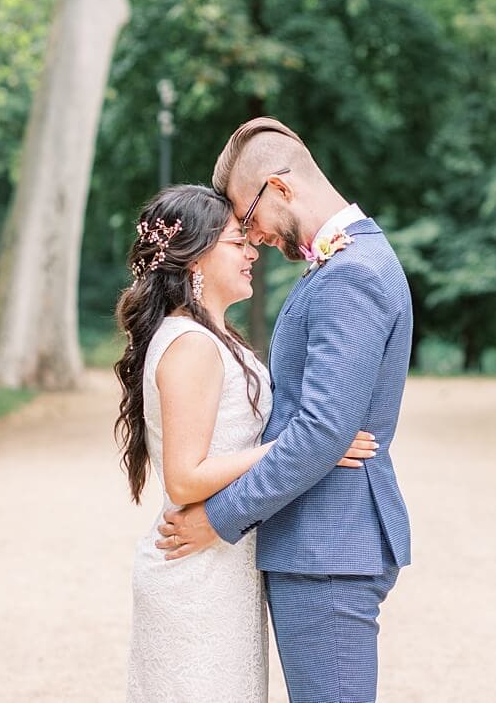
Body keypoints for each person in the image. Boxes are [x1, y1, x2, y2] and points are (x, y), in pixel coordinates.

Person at [156, 118, 412, 703]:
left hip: (329, 544)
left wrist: (215, 519)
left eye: (248, 219)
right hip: (319, 543)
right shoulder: (345, 265)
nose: (256, 240)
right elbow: (314, 424)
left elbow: (321, 430)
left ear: (281, 187)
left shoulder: (353, 275)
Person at [115, 183, 377, 702]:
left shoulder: (215, 336)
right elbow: (185, 477)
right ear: (195, 258)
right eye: (238, 241)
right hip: (194, 575)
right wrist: (308, 449)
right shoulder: (190, 344)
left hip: (223, 567)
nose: (252, 251)